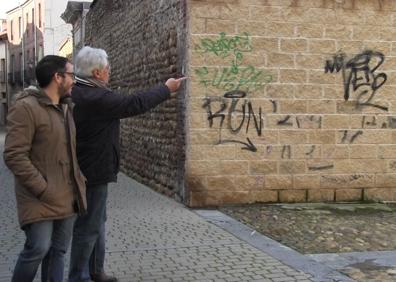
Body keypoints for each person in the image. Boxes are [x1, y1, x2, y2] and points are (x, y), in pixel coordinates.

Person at [68, 46, 186, 282]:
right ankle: (78, 276)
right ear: (98, 72)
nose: (110, 72)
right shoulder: (96, 97)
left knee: (97, 223)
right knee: (88, 226)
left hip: (92, 168)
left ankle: (94, 271)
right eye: (108, 68)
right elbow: (134, 103)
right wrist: (166, 89)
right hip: (93, 171)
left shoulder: (82, 92)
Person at [3, 55, 87, 282]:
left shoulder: (66, 107)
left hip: (67, 194)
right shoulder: (25, 108)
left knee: (58, 252)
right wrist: (43, 188)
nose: (74, 81)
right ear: (57, 77)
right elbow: (14, 155)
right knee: (37, 249)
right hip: (39, 196)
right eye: (71, 75)